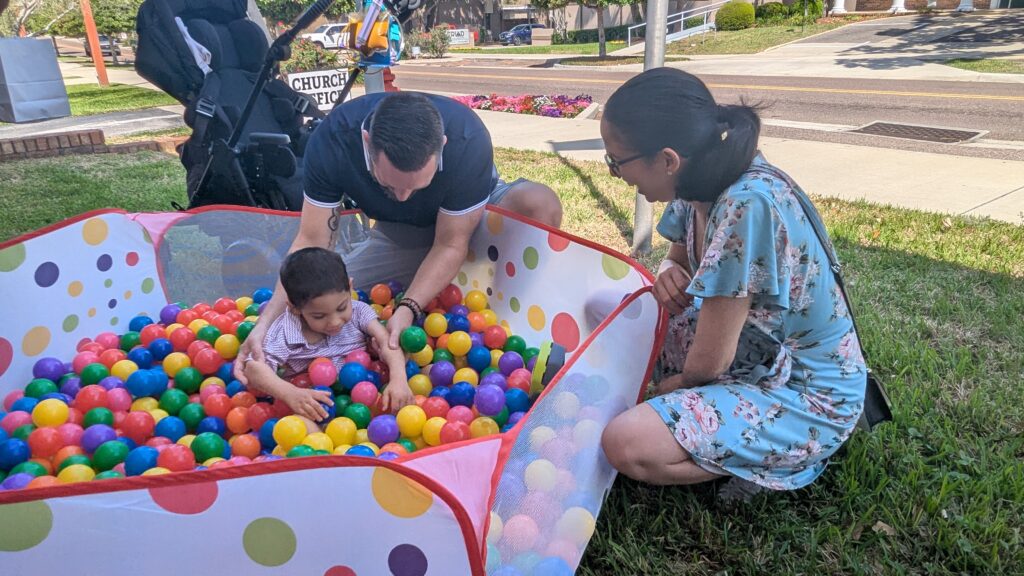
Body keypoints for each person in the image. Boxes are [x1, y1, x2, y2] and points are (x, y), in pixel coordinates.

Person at [599, 68, 867, 495]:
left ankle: (774, 463)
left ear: (667, 159)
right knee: (610, 309)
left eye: (617, 162)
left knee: (625, 442)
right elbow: (675, 259)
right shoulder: (697, 181)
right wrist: (669, 274)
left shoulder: (746, 205)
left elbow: (708, 366)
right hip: (752, 356)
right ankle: (727, 439)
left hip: (803, 393)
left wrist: (664, 391)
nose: (618, 174)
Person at [236, 91, 562, 382]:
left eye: (416, 185)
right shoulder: (333, 141)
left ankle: (511, 324)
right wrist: (265, 324)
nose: (404, 196)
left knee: (539, 203)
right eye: (390, 184)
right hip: (402, 234)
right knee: (327, 302)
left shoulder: (466, 138)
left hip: (473, 222)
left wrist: (408, 307)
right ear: (367, 143)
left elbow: (451, 243)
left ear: (442, 147)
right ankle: (436, 282)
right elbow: (312, 242)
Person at [243, 247, 413, 425]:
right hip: (313, 404)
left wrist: (398, 379)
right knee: (300, 425)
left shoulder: (358, 312)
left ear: (350, 287)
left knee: (407, 393)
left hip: (368, 391)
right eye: (319, 316)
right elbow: (253, 368)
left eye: (341, 308)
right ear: (295, 308)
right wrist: (290, 393)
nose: (334, 322)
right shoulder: (286, 331)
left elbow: (388, 342)